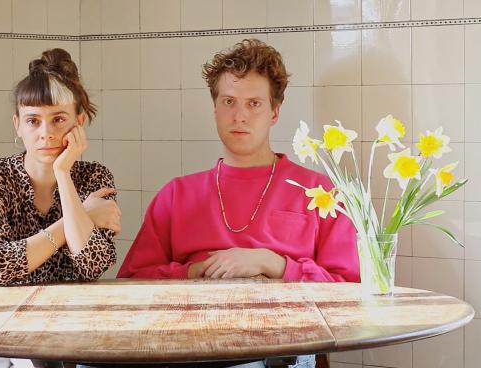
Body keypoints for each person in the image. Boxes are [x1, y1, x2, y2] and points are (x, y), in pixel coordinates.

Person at [117, 39, 359, 368]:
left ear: (274, 112)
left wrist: (274, 264)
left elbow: (351, 293)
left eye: (254, 103)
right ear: (214, 108)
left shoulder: (319, 191)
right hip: (185, 348)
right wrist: (192, 272)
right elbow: (130, 286)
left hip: (280, 348)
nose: (239, 116)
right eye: (228, 101)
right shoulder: (176, 195)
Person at [0, 48, 121, 368]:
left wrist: (64, 174)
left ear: (79, 122)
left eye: (58, 119)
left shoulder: (93, 177)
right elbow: (1, 269)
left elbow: (92, 265)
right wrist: (81, 216)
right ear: (17, 125)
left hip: (64, 322)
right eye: (33, 120)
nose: (45, 132)